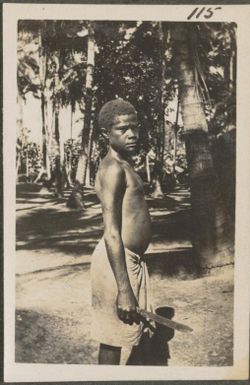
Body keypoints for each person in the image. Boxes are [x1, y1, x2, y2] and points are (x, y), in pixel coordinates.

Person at [91, 98, 152, 365]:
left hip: (131, 260)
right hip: (117, 262)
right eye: (123, 129)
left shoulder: (125, 164)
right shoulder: (113, 168)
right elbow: (112, 232)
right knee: (112, 340)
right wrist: (124, 288)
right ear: (106, 134)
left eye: (135, 127)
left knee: (131, 334)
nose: (132, 134)